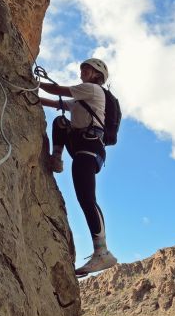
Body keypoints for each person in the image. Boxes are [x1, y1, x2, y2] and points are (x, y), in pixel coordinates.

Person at [39, 58, 117, 276]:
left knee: (87, 198)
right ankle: (56, 157)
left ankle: (102, 252)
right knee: (60, 122)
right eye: (82, 68)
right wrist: (31, 94)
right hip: (83, 147)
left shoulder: (92, 90)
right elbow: (57, 104)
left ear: (96, 74)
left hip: (90, 147)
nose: (82, 71)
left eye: (87, 68)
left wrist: (33, 82)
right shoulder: (84, 99)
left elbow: (58, 90)